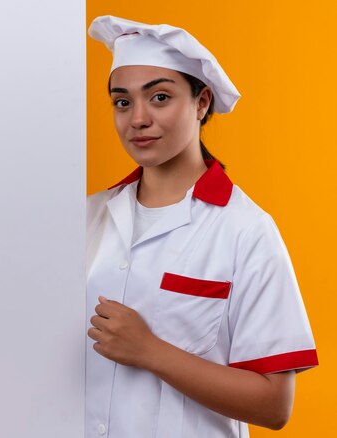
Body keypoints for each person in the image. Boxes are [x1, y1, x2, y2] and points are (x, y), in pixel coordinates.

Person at [85, 15, 318, 438]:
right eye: (122, 102)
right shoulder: (87, 217)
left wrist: (149, 351)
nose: (137, 119)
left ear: (201, 102)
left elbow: (274, 405)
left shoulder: (246, 230)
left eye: (159, 97)